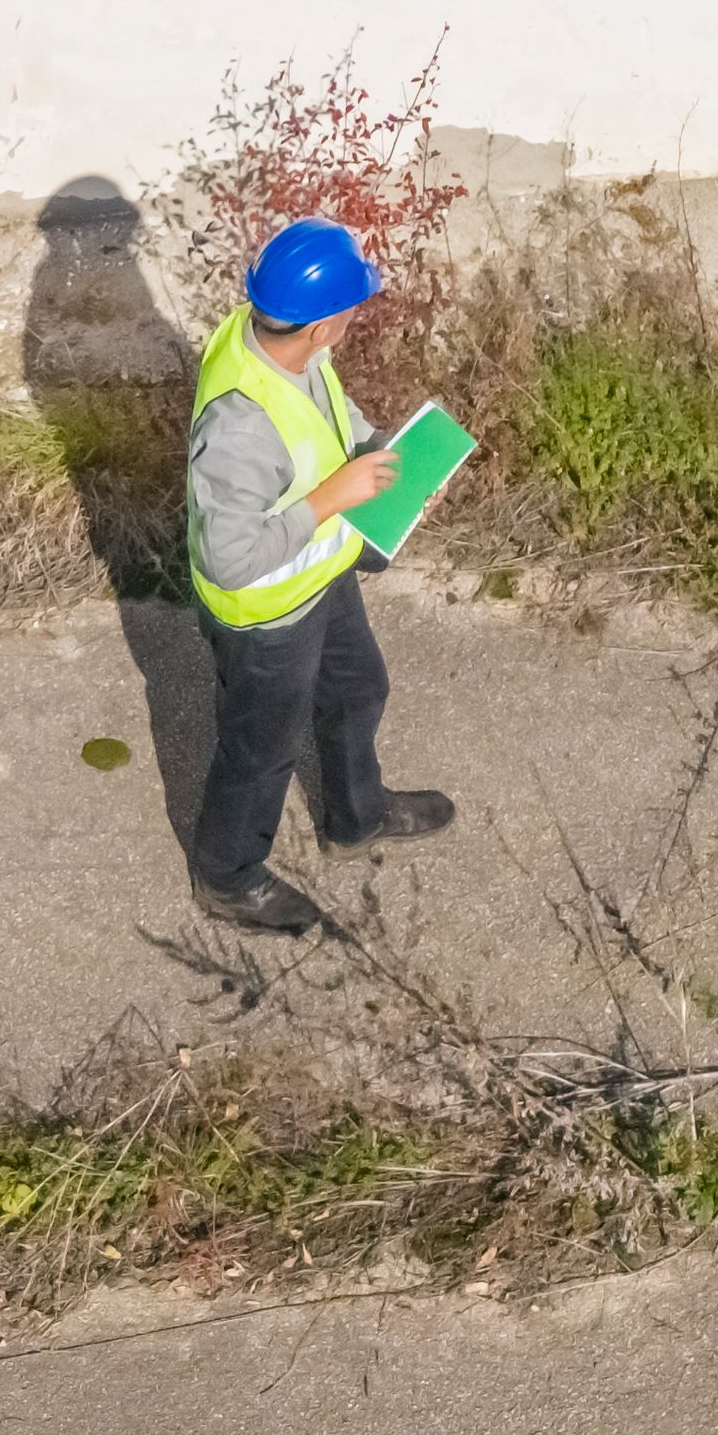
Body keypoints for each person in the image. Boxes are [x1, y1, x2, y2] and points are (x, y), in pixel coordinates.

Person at [180, 213, 456, 931]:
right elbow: (229, 559)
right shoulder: (239, 425)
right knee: (261, 753)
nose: (355, 317)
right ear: (321, 326)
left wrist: (382, 456)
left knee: (359, 688)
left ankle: (356, 818)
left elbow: (328, 412)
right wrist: (334, 497)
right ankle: (227, 877)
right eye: (351, 308)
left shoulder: (284, 343)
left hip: (321, 575)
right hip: (268, 616)